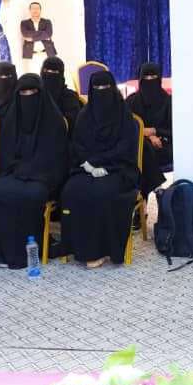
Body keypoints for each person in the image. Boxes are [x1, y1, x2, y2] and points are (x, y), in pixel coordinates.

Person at [0, 74, 69, 268]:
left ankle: (27, 252)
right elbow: (6, 155)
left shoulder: (54, 121)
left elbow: (57, 158)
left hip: (42, 176)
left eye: (32, 92)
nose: (27, 97)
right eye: (23, 93)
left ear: (41, 94)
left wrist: (33, 170)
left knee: (30, 196)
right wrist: (18, 169)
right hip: (15, 172)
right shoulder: (12, 120)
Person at [60, 71, 140, 268]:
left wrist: (101, 163)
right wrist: (88, 165)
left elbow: (125, 147)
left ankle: (103, 249)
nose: (102, 92)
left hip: (118, 168)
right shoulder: (84, 116)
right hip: (87, 168)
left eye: (106, 88)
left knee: (102, 193)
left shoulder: (124, 116)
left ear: (113, 89)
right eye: (97, 88)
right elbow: (78, 145)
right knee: (71, 190)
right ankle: (77, 247)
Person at [125, 62, 170, 199]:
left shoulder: (168, 102)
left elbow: (175, 130)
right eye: (146, 78)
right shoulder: (131, 101)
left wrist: (156, 131)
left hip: (163, 146)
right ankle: (158, 188)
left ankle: (143, 198)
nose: (150, 82)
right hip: (140, 146)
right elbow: (125, 128)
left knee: (143, 154)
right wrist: (146, 135)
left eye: (153, 78)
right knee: (143, 149)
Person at [40, 56, 83, 131]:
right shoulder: (36, 96)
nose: (50, 75)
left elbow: (73, 125)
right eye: (46, 71)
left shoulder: (69, 97)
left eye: (55, 72)